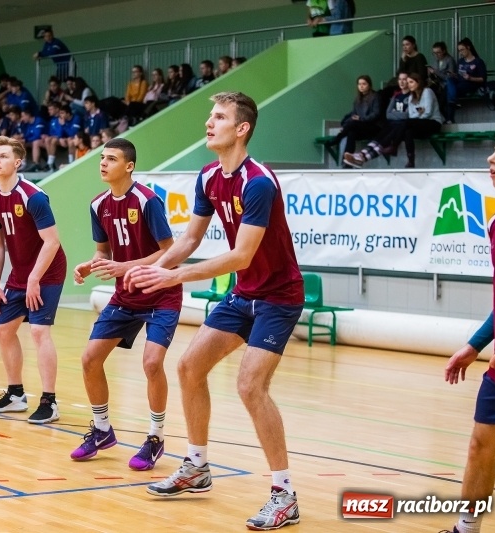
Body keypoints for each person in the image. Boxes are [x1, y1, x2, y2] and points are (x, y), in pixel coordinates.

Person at [124, 91, 304, 531]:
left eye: (219, 117)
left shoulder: (258, 182)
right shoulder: (208, 176)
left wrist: (174, 278)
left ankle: (284, 494)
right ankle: (197, 467)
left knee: (250, 386)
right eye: (210, 115)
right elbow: (187, 241)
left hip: (278, 297)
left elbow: (242, 254)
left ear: (241, 129)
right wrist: (151, 268)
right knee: (189, 367)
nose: (209, 122)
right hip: (243, 295)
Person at [70, 138, 182, 469]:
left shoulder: (148, 201)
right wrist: (91, 265)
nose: (103, 163)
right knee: (90, 359)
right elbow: (104, 251)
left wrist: (126, 267)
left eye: (111, 159)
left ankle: (155, 438)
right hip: (126, 295)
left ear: (129, 166)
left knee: (151, 364)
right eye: (102, 158)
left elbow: (169, 251)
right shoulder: (97, 204)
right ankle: (102, 430)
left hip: (162, 293)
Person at [441, 126, 495, 533]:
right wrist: (474, 344)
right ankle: (466, 529)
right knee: (480, 446)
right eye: (494, 150)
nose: (491, 158)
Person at [0, 136, 67, 424]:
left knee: (39, 332)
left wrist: (34, 278)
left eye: (3, 156)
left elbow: (52, 242)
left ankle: (49, 402)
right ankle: (16, 395)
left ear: (17, 162)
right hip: (20, 274)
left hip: (48, 270)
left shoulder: (33, 196)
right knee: (3, 330)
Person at [344, 72, 442, 169]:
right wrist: (418, 115)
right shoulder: (412, 96)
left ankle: (393, 147)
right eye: (407, 82)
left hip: (432, 122)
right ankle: (363, 156)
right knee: (402, 129)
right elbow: (411, 115)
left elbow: (427, 113)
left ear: (418, 82)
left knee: (405, 124)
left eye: (411, 82)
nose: (408, 84)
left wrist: (417, 118)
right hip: (417, 124)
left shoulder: (427, 91)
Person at [326, 75, 380, 157]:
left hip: (372, 127)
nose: (361, 86)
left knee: (353, 124)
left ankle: (337, 139)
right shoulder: (357, 99)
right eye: (359, 84)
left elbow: (376, 114)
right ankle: (347, 161)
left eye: (364, 84)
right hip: (360, 126)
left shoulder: (375, 96)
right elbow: (353, 115)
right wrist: (345, 126)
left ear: (369, 85)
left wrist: (361, 119)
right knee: (351, 132)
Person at [445, 38, 488, 124]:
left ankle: (450, 117)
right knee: (449, 82)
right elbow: (458, 75)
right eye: (459, 50)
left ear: (468, 47)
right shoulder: (460, 61)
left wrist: (470, 78)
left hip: (471, 83)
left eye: (462, 49)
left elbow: (483, 78)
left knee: (449, 90)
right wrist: (454, 75)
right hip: (460, 82)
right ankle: (453, 103)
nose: (460, 52)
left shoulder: (478, 61)